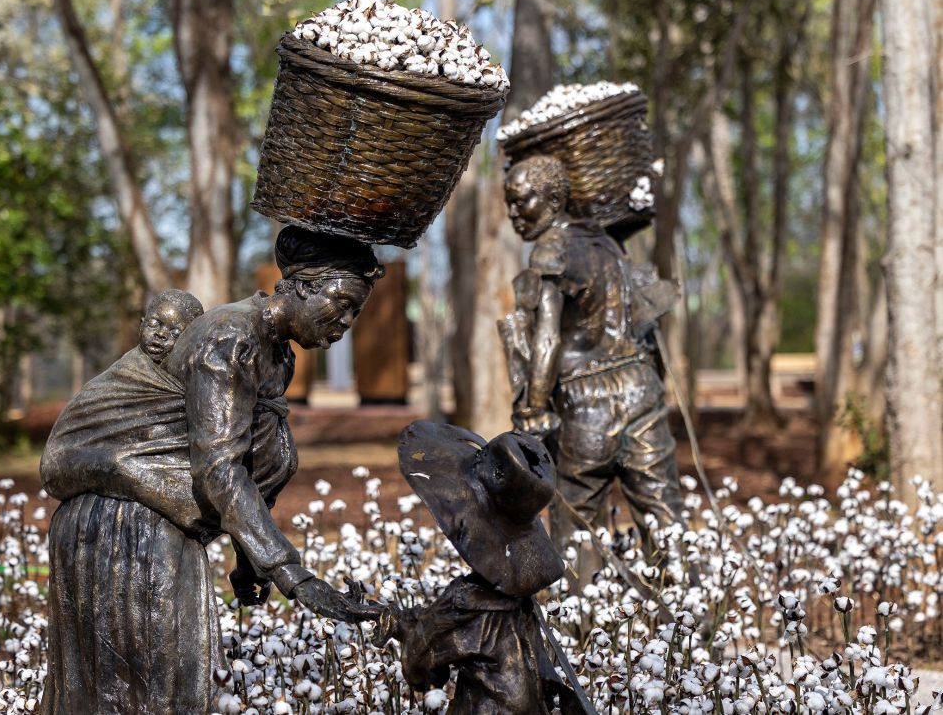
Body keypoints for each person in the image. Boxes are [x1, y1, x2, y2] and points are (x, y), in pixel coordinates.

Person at [40, 225, 384, 714]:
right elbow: (220, 469)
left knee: (179, 687)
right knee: (142, 693)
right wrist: (298, 579)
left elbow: (251, 456)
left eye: (355, 309)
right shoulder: (230, 337)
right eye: (342, 302)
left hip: (161, 524)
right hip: (124, 524)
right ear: (303, 287)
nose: (346, 320)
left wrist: (249, 559)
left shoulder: (275, 351)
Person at [502, 154, 685, 560]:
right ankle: (692, 617)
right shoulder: (606, 244)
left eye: (522, 201)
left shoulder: (551, 250)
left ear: (552, 200)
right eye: (509, 203)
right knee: (663, 511)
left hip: (587, 403)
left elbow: (547, 339)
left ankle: (580, 622)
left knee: (577, 522)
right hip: (641, 390)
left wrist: (533, 408)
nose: (514, 213)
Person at [377, 421, 596, 715]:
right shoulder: (520, 601)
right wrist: (411, 620)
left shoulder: (463, 601)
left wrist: (404, 634)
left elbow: (419, 661)